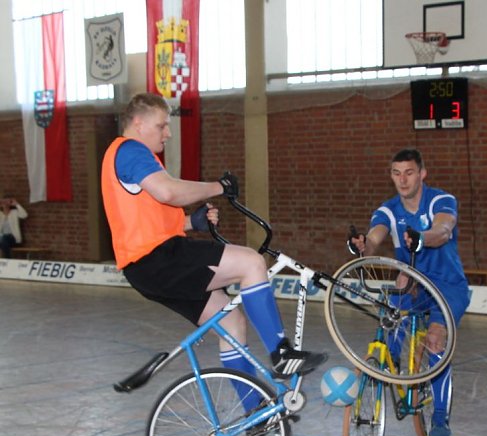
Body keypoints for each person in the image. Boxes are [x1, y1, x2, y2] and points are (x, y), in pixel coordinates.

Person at [101, 93, 327, 406]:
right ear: (138, 123)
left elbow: (149, 218)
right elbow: (169, 191)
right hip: (159, 259)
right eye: (162, 125)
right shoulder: (130, 150)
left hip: (148, 267)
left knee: (231, 324)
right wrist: (218, 187)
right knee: (251, 263)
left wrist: (191, 223)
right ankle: (281, 354)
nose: (167, 133)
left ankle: (253, 409)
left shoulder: (128, 159)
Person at [350, 148, 469, 436]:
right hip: (412, 282)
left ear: (422, 173)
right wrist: (362, 245)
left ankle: (440, 414)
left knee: (435, 339)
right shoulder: (389, 210)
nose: (402, 180)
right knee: (389, 318)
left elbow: (442, 231)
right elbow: (376, 236)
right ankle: (389, 365)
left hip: (447, 285)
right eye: (396, 173)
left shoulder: (441, 200)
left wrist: (420, 237)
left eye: (409, 172)